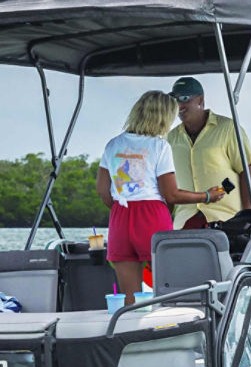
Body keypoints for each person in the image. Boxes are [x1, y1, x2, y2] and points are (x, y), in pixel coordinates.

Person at [97, 91, 228, 306]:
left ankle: (132, 334)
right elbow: (171, 194)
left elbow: (103, 190)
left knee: (130, 300)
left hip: (120, 216)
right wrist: (207, 195)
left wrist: (123, 209)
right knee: (167, 293)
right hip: (151, 217)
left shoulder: (113, 145)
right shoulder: (159, 146)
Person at [165, 76, 251, 230]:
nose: (180, 105)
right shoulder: (170, 137)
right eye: (175, 100)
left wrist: (248, 216)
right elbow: (167, 185)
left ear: (200, 100)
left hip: (226, 220)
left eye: (185, 99)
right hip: (183, 223)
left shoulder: (228, 128)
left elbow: (247, 172)